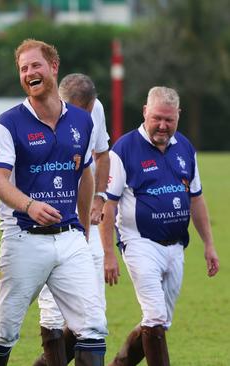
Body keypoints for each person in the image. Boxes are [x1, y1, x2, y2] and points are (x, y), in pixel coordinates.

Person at [0, 39, 108, 366]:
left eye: (35, 65)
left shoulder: (82, 122)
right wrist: (29, 205)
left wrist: (82, 230)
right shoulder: (9, 122)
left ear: (53, 67)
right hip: (25, 239)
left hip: (69, 238)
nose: (28, 73)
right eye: (23, 69)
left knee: (93, 327)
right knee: (5, 331)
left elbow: (85, 175)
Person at [102, 86, 219, 365]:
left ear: (178, 116)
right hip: (139, 243)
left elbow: (197, 199)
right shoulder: (124, 149)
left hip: (176, 246)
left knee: (159, 322)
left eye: (169, 119)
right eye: (157, 118)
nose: (163, 126)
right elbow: (108, 206)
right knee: (155, 316)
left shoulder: (185, 148)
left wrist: (209, 245)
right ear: (145, 112)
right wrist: (108, 254)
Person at [32, 74, 111, 365]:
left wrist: (99, 197)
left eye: (86, 113)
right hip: (46, 226)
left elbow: (102, 155)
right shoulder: (31, 114)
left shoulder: (96, 110)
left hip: (84, 223)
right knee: (50, 311)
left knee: (93, 312)